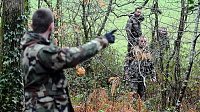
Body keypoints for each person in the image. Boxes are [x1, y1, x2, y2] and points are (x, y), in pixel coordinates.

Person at [21, 8, 117, 112]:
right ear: (51, 27)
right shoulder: (43, 52)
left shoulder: (27, 47)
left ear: (32, 25)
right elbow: (74, 55)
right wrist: (102, 40)